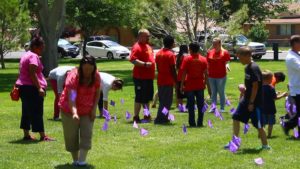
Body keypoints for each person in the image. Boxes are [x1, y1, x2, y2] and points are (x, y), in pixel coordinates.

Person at [224, 46, 270, 150]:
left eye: (239, 57)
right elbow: (251, 85)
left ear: (247, 56)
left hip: (254, 102)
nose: (238, 59)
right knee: (236, 117)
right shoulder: (247, 67)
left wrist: (251, 103)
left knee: (258, 124)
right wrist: (244, 89)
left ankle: (265, 146)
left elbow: (256, 86)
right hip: (246, 99)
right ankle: (235, 143)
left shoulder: (254, 68)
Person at [59, 56, 100, 166]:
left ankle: (82, 161)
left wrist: (93, 110)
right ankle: (75, 160)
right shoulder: (73, 77)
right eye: (85, 69)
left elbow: (97, 93)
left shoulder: (96, 75)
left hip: (87, 110)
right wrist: (75, 113)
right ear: (81, 68)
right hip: (69, 109)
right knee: (71, 136)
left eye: (90, 69)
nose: (88, 72)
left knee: (87, 133)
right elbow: (71, 98)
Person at [16, 36, 54, 141]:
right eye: (41, 48)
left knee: (26, 111)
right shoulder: (33, 56)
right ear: (35, 47)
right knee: (37, 112)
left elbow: (23, 73)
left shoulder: (25, 55)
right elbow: (32, 73)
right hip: (32, 88)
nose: (42, 50)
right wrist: (39, 88)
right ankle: (43, 136)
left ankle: (26, 135)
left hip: (24, 88)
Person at [129, 29, 155, 122]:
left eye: (148, 36)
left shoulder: (148, 46)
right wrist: (144, 64)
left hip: (148, 77)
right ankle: (136, 117)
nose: (148, 37)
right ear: (140, 36)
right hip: (140, 77)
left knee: (147, 98)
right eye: (146, 36)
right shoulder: (136, 47)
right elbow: (133, 60)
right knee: (139, 98)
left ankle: (146, 115)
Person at [180, 42, 208, 127]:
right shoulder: (203, 59)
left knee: (191, 105)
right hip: (200, 84)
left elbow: (184, 73)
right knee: (200, 105)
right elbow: (206, 73)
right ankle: (200, 122)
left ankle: (192, 123)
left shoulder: (187, 59)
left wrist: (182, 85)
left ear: (190, 49)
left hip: (190, 85)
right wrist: (205, 83)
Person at [154, 35, 177, 124]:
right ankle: (161, 118)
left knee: (163, 100)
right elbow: (173, 69)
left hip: (160, 79)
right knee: (167, 102)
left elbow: (158, 67)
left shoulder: (159, 53)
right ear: (171, 44)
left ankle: (164, 117)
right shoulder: (170, 54)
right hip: (168, 80)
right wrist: (176, 80)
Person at [206, 38, 230, 113]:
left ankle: (222, 108)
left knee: (221, 91)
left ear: (219, 44)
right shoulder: (210, 52)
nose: (214, 45)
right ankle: (213, 107)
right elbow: (208, 63)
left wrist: (227, 67)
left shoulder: (225, 52)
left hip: (221, 76)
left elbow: (227, 62)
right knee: (213, 92)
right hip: (211, 76)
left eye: (215, 44)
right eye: (213, 43)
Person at [282, 35, 300, 136]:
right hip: (297, 89)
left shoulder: (296, 54)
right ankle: (287, 125)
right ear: (295, 44)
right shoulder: (291, 58)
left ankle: (288, 125)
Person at [261, 70, 287, 138]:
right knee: (271, 123)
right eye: (279, 81)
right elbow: (274, 98)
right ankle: (269, 135)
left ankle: (261, 134)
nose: (277, 83)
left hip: (262, 107)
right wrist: (282, 95)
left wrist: (275, 92)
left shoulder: (261, 87)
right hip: (270, 108)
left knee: (262, 122)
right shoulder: (272, 82)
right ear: (278, 78)